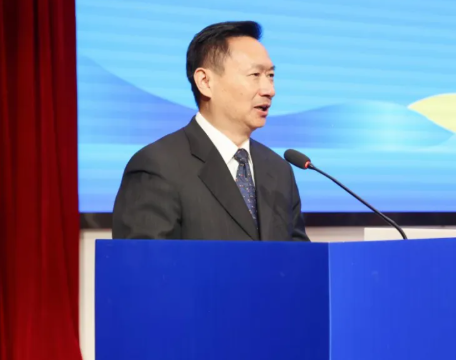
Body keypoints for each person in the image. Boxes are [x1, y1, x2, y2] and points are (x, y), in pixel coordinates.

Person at [112, 21, 309, 241]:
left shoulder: (279, 170)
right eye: (255, 75)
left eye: (270, 76)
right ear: (205, 82)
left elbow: (299, 256)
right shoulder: (157, 167)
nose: (269, 90)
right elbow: (145, 261)